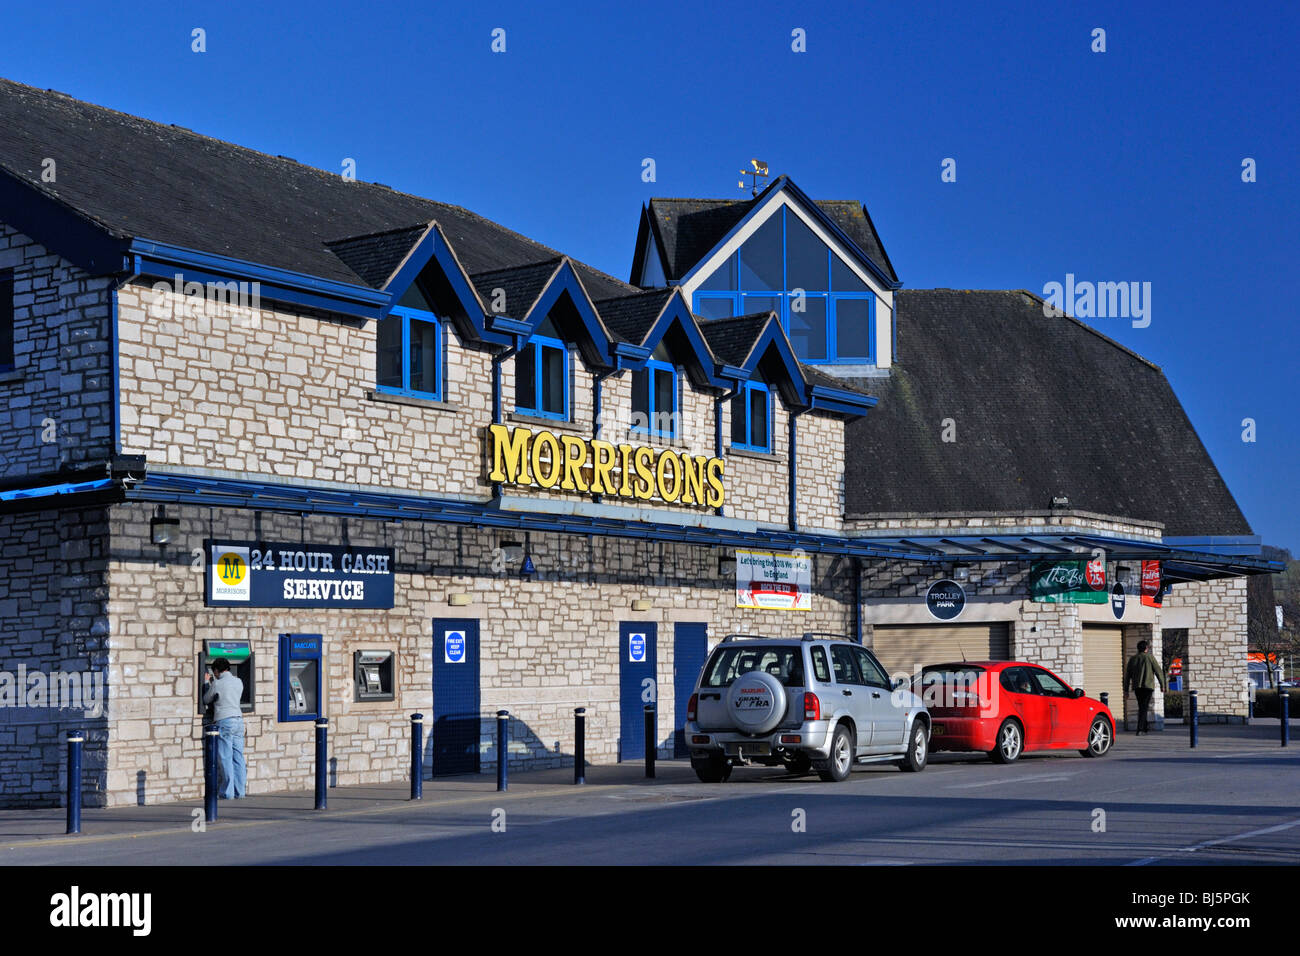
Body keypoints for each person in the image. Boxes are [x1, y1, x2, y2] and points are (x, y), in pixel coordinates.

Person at [203, 657, 247, 798]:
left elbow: (206, 699)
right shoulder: (238, 681)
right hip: (239, 721)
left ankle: (227, 793)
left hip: (225, 721)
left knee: (226, 757)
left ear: (216, 670)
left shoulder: (217, 683)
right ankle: (240, 792)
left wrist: (206, 682)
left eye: (214, 672)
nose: (214, 674)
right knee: (238, 758)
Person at [1124, 640, 1166, 735]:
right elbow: (1158, 671)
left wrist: (1126, 690)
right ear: (1146, 648)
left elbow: (1127, 676)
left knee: (1142, 706)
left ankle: (1145, 728)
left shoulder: (1133, 659)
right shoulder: (1150, 658)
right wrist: (1162, 685)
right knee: (1143, 707)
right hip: (1148, 686)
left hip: (1137, 687)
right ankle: (1140, 729)